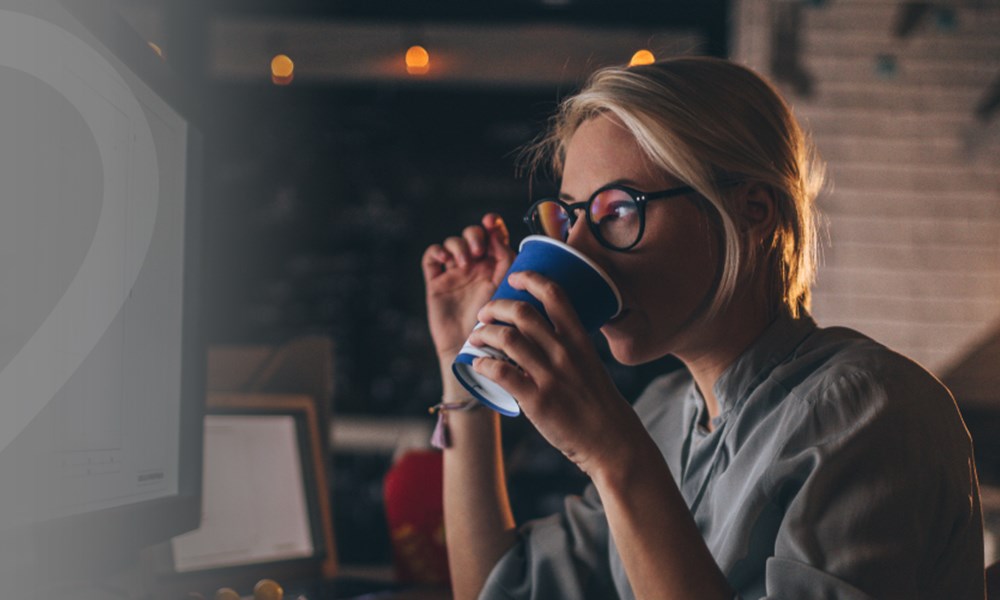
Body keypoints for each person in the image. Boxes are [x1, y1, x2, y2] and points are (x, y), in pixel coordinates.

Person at [420, 56, 984, 600]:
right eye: (570, 217)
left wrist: (614, 457)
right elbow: (500, 590)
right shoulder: (666, 414)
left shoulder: (869, 411)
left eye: (618, 209)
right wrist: (461, 363)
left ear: (751, 210)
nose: (578, 252)